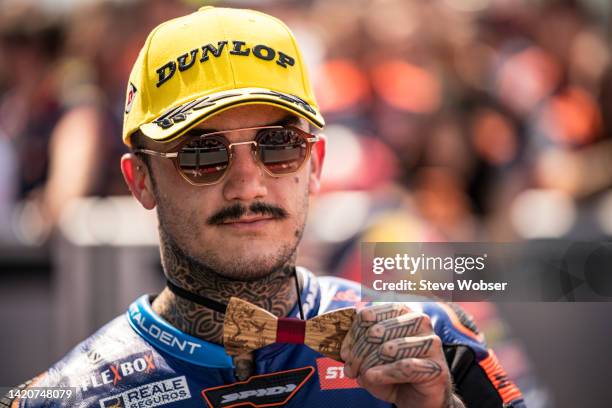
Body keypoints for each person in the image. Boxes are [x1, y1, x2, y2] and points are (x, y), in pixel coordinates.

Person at [3, 7, 526, 408]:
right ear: (142, 180)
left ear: (315, 164)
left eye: (278, 145)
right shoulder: (67, 397)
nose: (247, 183)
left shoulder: (438, 346)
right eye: (202, 154)